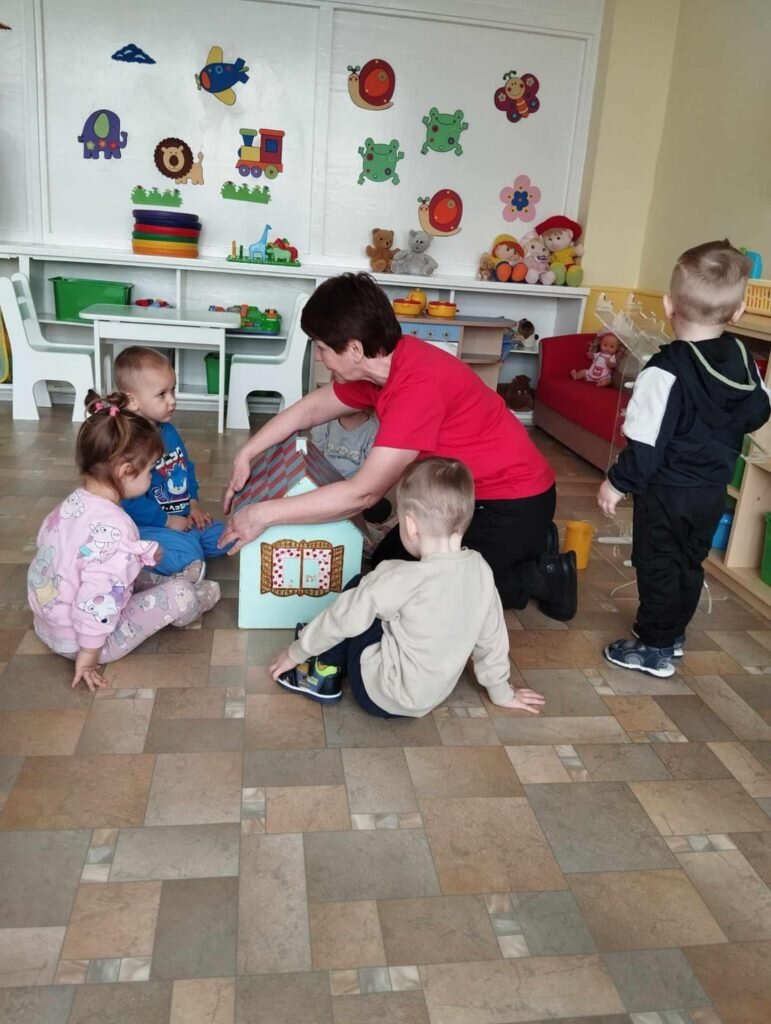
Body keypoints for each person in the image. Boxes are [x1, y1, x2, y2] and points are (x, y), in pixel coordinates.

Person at [222, 273, 575, 620]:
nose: (318, 357)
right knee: (386, 566)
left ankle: (544, 575)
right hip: (460, 498)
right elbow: (311, 409)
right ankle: (528, 546)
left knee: (415, 592)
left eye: (323, 347)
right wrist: (247, 452)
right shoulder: (381, 367)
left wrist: (261, 514)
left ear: (355, 349)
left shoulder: (415, 388)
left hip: (511, 504)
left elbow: (363, 494)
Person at [598, 239, 771, 678]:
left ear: (668, 305)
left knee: (657, 563)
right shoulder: (741, 357)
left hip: (667, 493)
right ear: (737, 313)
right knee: (689, 562)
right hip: (711, 490)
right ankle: (672, 633)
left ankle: (653, 647)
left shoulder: (664, 369)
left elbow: (645, 446)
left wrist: (616, 482)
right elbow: (757, 412)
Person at [269, 457, 545, 716]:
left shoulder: (399, 576)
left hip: (378, 695)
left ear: (411, 526)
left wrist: (297, 652)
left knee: (359, 591)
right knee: (375, 602)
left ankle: (323, 671)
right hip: (430, 698)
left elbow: (343, 618)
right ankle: (321, 642)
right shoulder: (481, 569)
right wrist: (500, 692)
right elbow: (492, 638)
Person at [27, 391, 220, 692]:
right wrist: (88, 657)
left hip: (49, 622)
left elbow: (63, 553)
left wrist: (138, 554)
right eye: (150, 470)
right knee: (179, 595)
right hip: (86, 640)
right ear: (125, 471)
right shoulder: (116, 527)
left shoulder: (72, 504)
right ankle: (194, 601)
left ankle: (168, 580)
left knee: (120, 570)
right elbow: (97, 598)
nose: (152, 477)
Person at [115, 346, 231, 581]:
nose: (173, 401)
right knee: (187, 555)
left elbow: (185, 467)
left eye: (173, 390)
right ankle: (138, 554)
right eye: (162, 394)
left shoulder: (168, 431)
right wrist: (169, 521)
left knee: (226, 537)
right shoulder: (129, 444)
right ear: (132, 401)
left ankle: (184, 545)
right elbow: (131, 503)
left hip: (182, 516)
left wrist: (194, 505)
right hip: (150, 526)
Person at [311, 408, 391, 523]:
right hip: (324, 485)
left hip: (352, 491)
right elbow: (314, 456)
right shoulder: (325, 424)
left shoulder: (375, 431)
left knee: (382, 508)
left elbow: (370, 477)